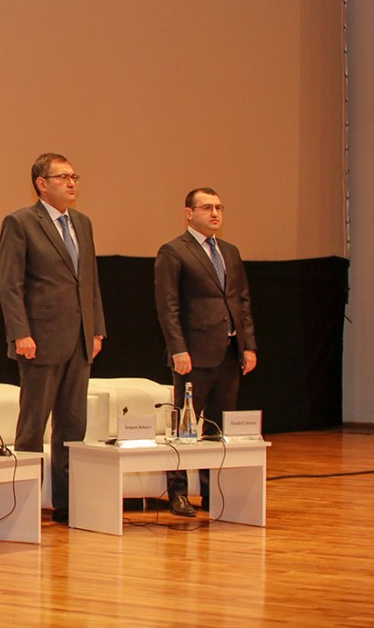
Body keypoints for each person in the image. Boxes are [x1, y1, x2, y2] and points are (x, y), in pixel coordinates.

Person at [0, 152, 105, 524]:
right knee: (33, 423)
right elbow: (9, 283)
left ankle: (67, 501)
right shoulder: (21, 222)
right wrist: (20, 332)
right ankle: (23, 503)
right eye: (63, 177)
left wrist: (97, 328)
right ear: (42, 183)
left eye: (75, 176)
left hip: (79, 337)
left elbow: (89, 280)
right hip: (40, 337)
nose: (72, 183)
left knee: (73, 424)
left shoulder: (83, 223)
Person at [154, 187, 258, 517]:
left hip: (228, 352)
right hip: (193, 354)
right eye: (207, 208)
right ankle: (178, 492)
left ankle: (213, 493)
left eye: (219, 208)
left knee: (218, 428)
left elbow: (241, 301)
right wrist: (178, 350)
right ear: (189, 213)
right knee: (185, 429)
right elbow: (167, 307)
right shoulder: (174, 251)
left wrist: (248, 344)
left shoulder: (229, 250)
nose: (215, 214)